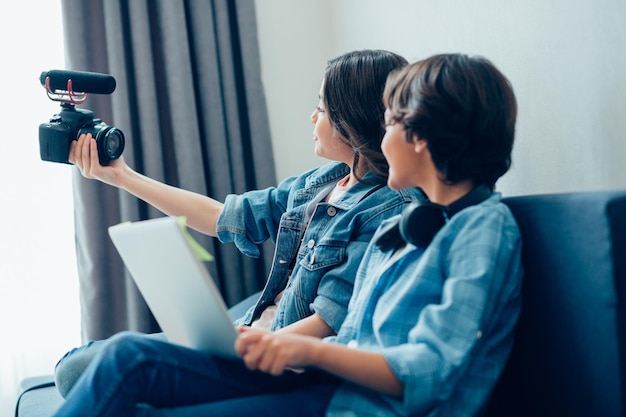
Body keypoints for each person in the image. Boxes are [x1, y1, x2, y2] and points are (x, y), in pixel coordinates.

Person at [52, 52, 523, 417]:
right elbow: (357, 335)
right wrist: (123, 177)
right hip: (323, 377)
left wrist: (295, 347)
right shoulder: (412, 224)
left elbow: (426, 366)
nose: (383, 136)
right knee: (97, 363)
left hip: (340, 396)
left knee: (128, 362)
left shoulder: (470, 227)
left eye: (392, 123)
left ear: (419, 136)